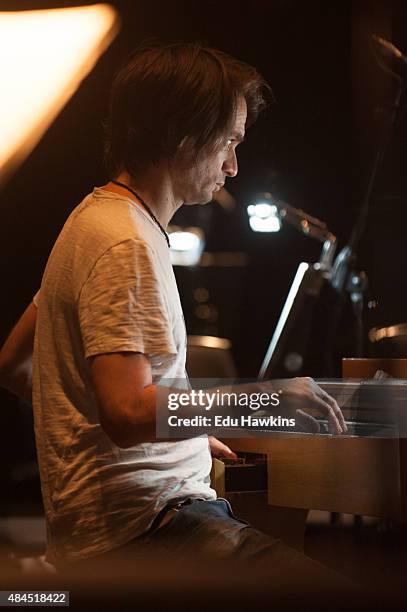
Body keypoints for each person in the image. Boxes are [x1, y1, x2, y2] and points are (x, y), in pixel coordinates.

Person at [0, 42, 352, 592]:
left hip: (115, 528)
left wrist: (182, 434)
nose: (234, 166)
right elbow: (123, 411)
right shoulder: (125, 243)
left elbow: (13, 364)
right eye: (230, 142)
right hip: (154, 526)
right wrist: (267, 396)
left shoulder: (91, 221)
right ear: (185, 135)